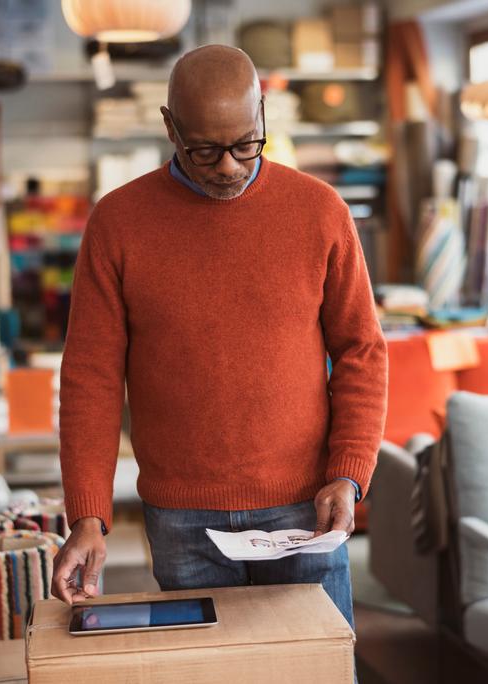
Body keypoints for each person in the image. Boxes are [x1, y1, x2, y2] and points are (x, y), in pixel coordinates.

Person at [49, 44, 387, 628]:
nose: (229, 165)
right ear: (169, 126)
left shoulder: (320, 212)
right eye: (204, 149)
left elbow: (362, 351)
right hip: (181, 516)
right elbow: (91, 379)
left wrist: (348, 472)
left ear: (262, 114)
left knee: (313, 669)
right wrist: (89, 514)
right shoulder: (118, 223)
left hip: (304, 507)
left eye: (244, 144)